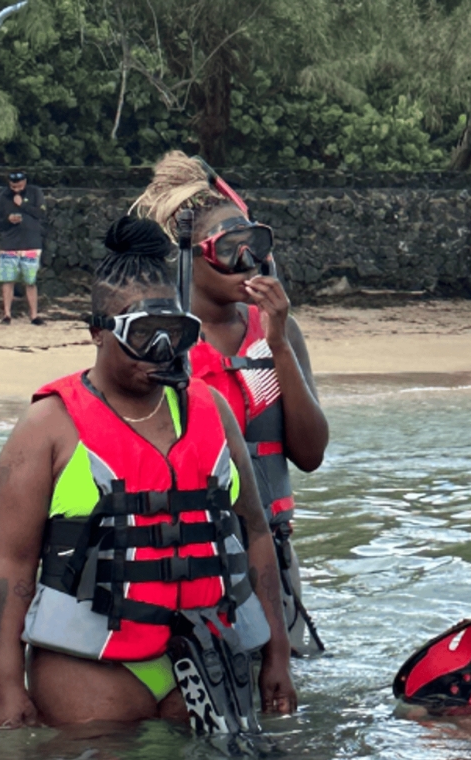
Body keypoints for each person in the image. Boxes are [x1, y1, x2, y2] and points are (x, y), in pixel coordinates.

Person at [0, 216, 295, 729]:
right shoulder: (47, 428)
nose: (162, 350)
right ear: (98, 333)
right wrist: (6, 686)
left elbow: (255, 535)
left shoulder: (211, 410)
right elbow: (9, 565)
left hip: (211, 653)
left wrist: (277, 656)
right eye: (142, 335)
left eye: (175, 333)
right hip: (88, 671)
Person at [130, 151, 330, 657]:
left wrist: (280, 343)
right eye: (229, 249)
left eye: (256, 245)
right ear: (188, 257)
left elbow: (310, 454)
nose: (249, 262)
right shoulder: (160, 342)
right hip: (187, 555)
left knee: (280, 694)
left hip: (272, 553)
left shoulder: (276, 335)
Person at [0, 169, 45, 326]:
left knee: (30, 281)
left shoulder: (35, 192)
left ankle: (34, 315)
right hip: (10, 244)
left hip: (31, 244)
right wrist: (8, 220)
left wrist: (22, 205)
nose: (16, 189)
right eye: (13, 187)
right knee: (8, 280)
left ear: (25, 182)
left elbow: (41, 214)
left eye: (19, 186)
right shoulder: (4, 196)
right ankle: (7, 314)